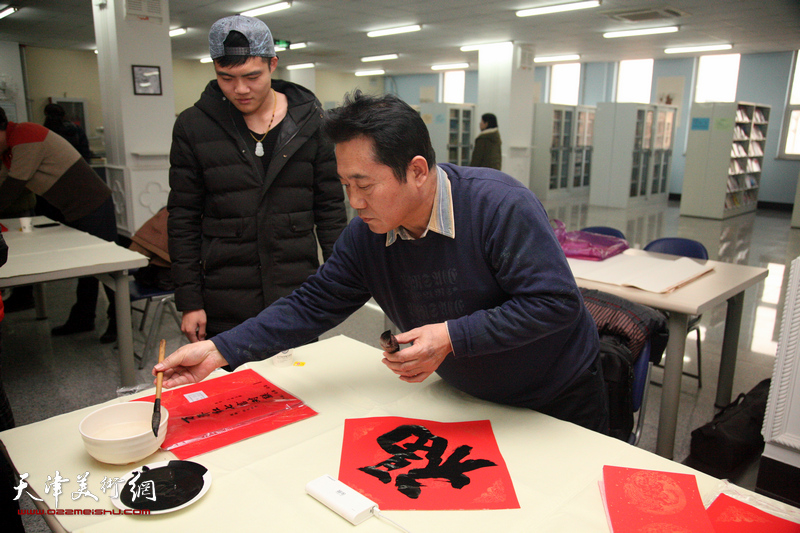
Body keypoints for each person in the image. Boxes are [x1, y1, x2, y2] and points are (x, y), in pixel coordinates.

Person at [155, 91, 609, 435]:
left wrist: (452, 336)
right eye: (344, 184)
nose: (353, 202)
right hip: (467, 399)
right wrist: (218, 351)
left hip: (556, 397)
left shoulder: (499, 207)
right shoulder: (367, 237)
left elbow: (554, 303)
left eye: (364, 184)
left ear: (416, 171)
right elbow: (310, 305)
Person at [168, 14, 347, 342]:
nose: (240, 89)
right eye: (226, 78)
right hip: (225, 295)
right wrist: (190, 300)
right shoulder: (194, 126)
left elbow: (331, 210)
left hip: (296, 291)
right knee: (232, 388)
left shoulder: (313, 123)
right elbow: (183, 219)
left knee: (299, 384)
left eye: (252, 76)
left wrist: (339, 284)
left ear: (273, 64)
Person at [0, 106, 118, 343]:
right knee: (86, 267)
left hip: (93, 203)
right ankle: (83, 318)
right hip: (75, 207)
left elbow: (12, 186)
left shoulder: (26, 136)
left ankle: (118, 323)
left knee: (107, 267)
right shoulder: (10, 146)